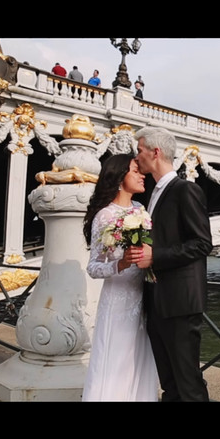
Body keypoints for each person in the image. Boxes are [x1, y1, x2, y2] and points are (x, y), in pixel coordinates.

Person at [132, 126, 212, 402]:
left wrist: (156, 257)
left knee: (188, 384)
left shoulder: (185, 190)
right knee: (169, 383)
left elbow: (202, 244)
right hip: (158, 300)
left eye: (139, 150)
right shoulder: (153, 194)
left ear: (155, 152)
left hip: (179, 303)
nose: (136, 156)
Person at [81, 153, 159, 401]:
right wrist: (122, 262)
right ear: (118, 175)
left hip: (143, 299)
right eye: (136, 171)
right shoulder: (105, 215)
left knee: (139, 362)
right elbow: (93, 267)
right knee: (115, 364)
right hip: (117, 303)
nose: (142, 175)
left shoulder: (140, 210)